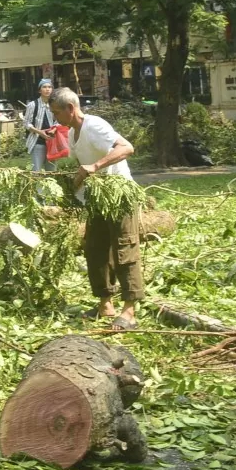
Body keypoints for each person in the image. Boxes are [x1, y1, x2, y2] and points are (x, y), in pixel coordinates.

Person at [49, 87, 143, 328]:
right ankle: (105, 304)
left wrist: (96, 166)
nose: (55, 118)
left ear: (71, 109)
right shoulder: (72, 134)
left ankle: (130, 311)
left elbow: (126, 148)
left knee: (124, 248)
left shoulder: (95, 125)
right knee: (95, 248)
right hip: (98, 198)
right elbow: (84, 168)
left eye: (57, 112)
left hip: (120, 195)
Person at [23, 79, 56, 172]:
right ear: (39, 90)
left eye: (49, 87)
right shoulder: (32, 105)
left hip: (51, 142)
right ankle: (38, 187)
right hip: (37, 142)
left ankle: (50, 187)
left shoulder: (54, 104)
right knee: (36, 170)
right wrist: (39, 132)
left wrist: (54, 130)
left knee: (52, 170)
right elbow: (26, 123)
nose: (47, 89)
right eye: (44, 87)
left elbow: (58, 121)